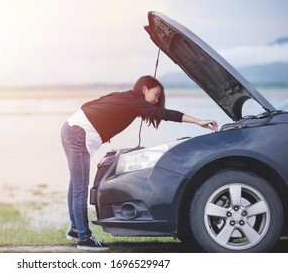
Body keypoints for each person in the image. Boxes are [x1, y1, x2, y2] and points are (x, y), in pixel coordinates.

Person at [60, 75, 218, 251]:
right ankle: (84, 238)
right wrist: (198, 121)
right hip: (79, 133)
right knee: (80, 188)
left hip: (71, 127)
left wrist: (106, 124)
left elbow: (87, 105)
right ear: (144, 89)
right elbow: (164, 114)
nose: (156, 100)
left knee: (75, 185)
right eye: (155, 94)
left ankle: (76, 229)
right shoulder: (134, 101)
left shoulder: (126, 97)